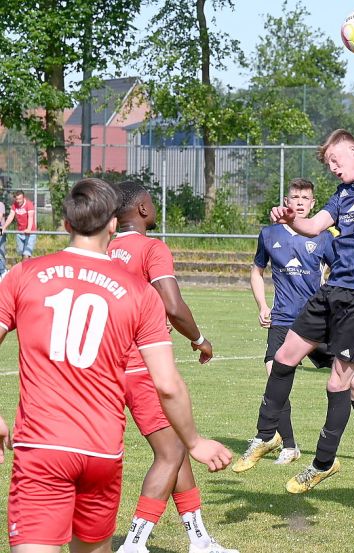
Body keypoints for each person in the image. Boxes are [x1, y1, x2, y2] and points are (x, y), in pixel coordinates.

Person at [0, 178, 230, 553]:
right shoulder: (139, 292)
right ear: (111, 223)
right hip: (102, 452)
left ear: (65, 224)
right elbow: (168, 384)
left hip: (42, 445)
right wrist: (195, 441)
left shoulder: (23, 275)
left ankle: (192, 539)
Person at [236, 129, 354, 494]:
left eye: (335, 161)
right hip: (333, 290)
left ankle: (323, 463)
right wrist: (288, 218)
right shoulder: (341, 195)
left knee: (339, 381)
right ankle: (266, 436)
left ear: (352, 150)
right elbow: (312, 226)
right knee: (284, 355)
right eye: (329, 164)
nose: (332, 168)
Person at [108, 181, 237, 553]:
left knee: (177, 446)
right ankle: (134, 543)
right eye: (151, 201)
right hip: (143, 364)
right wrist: (199, 338)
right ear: (143, 210)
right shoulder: (152, 247)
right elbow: (172, 303)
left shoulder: (107, 248)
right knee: (170, 452)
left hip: (110, 366)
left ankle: (199, 540)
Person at [2, 190, 37, 261]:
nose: (18, 201)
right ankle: (30, 266)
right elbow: (11, 216)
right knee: (22, 253)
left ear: (23, 198)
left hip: (30, 233)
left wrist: (28, 229)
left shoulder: (29, 204)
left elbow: (30, 217)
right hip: (20, 232)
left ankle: (25, 271)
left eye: (20, 199)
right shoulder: (14, 205)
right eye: (17, 199)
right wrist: (4, 227)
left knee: (26, 255)